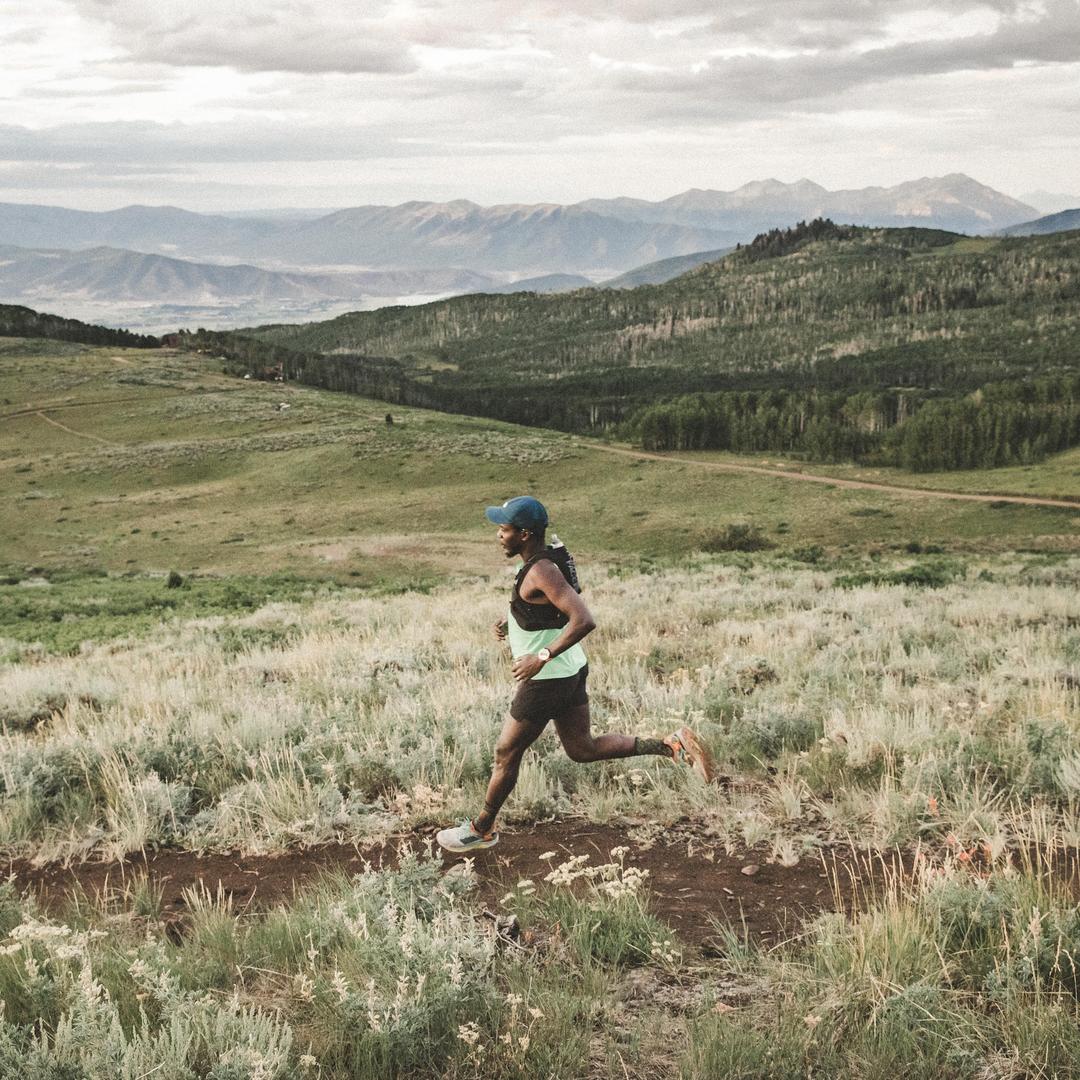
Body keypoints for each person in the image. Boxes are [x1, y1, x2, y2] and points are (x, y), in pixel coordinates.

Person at [436, 496, 714, 853]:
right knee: (582, 749)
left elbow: (583, 619)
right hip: (570, 672)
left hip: (547, 680)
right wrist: (516, 622)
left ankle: (481, 829)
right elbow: (554, 607)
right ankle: (670, 745)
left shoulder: (541, 570)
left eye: (504, 529)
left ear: (524, 534)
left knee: (506, 752)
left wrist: (540, 656)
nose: (499, 535)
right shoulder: (544, 563)